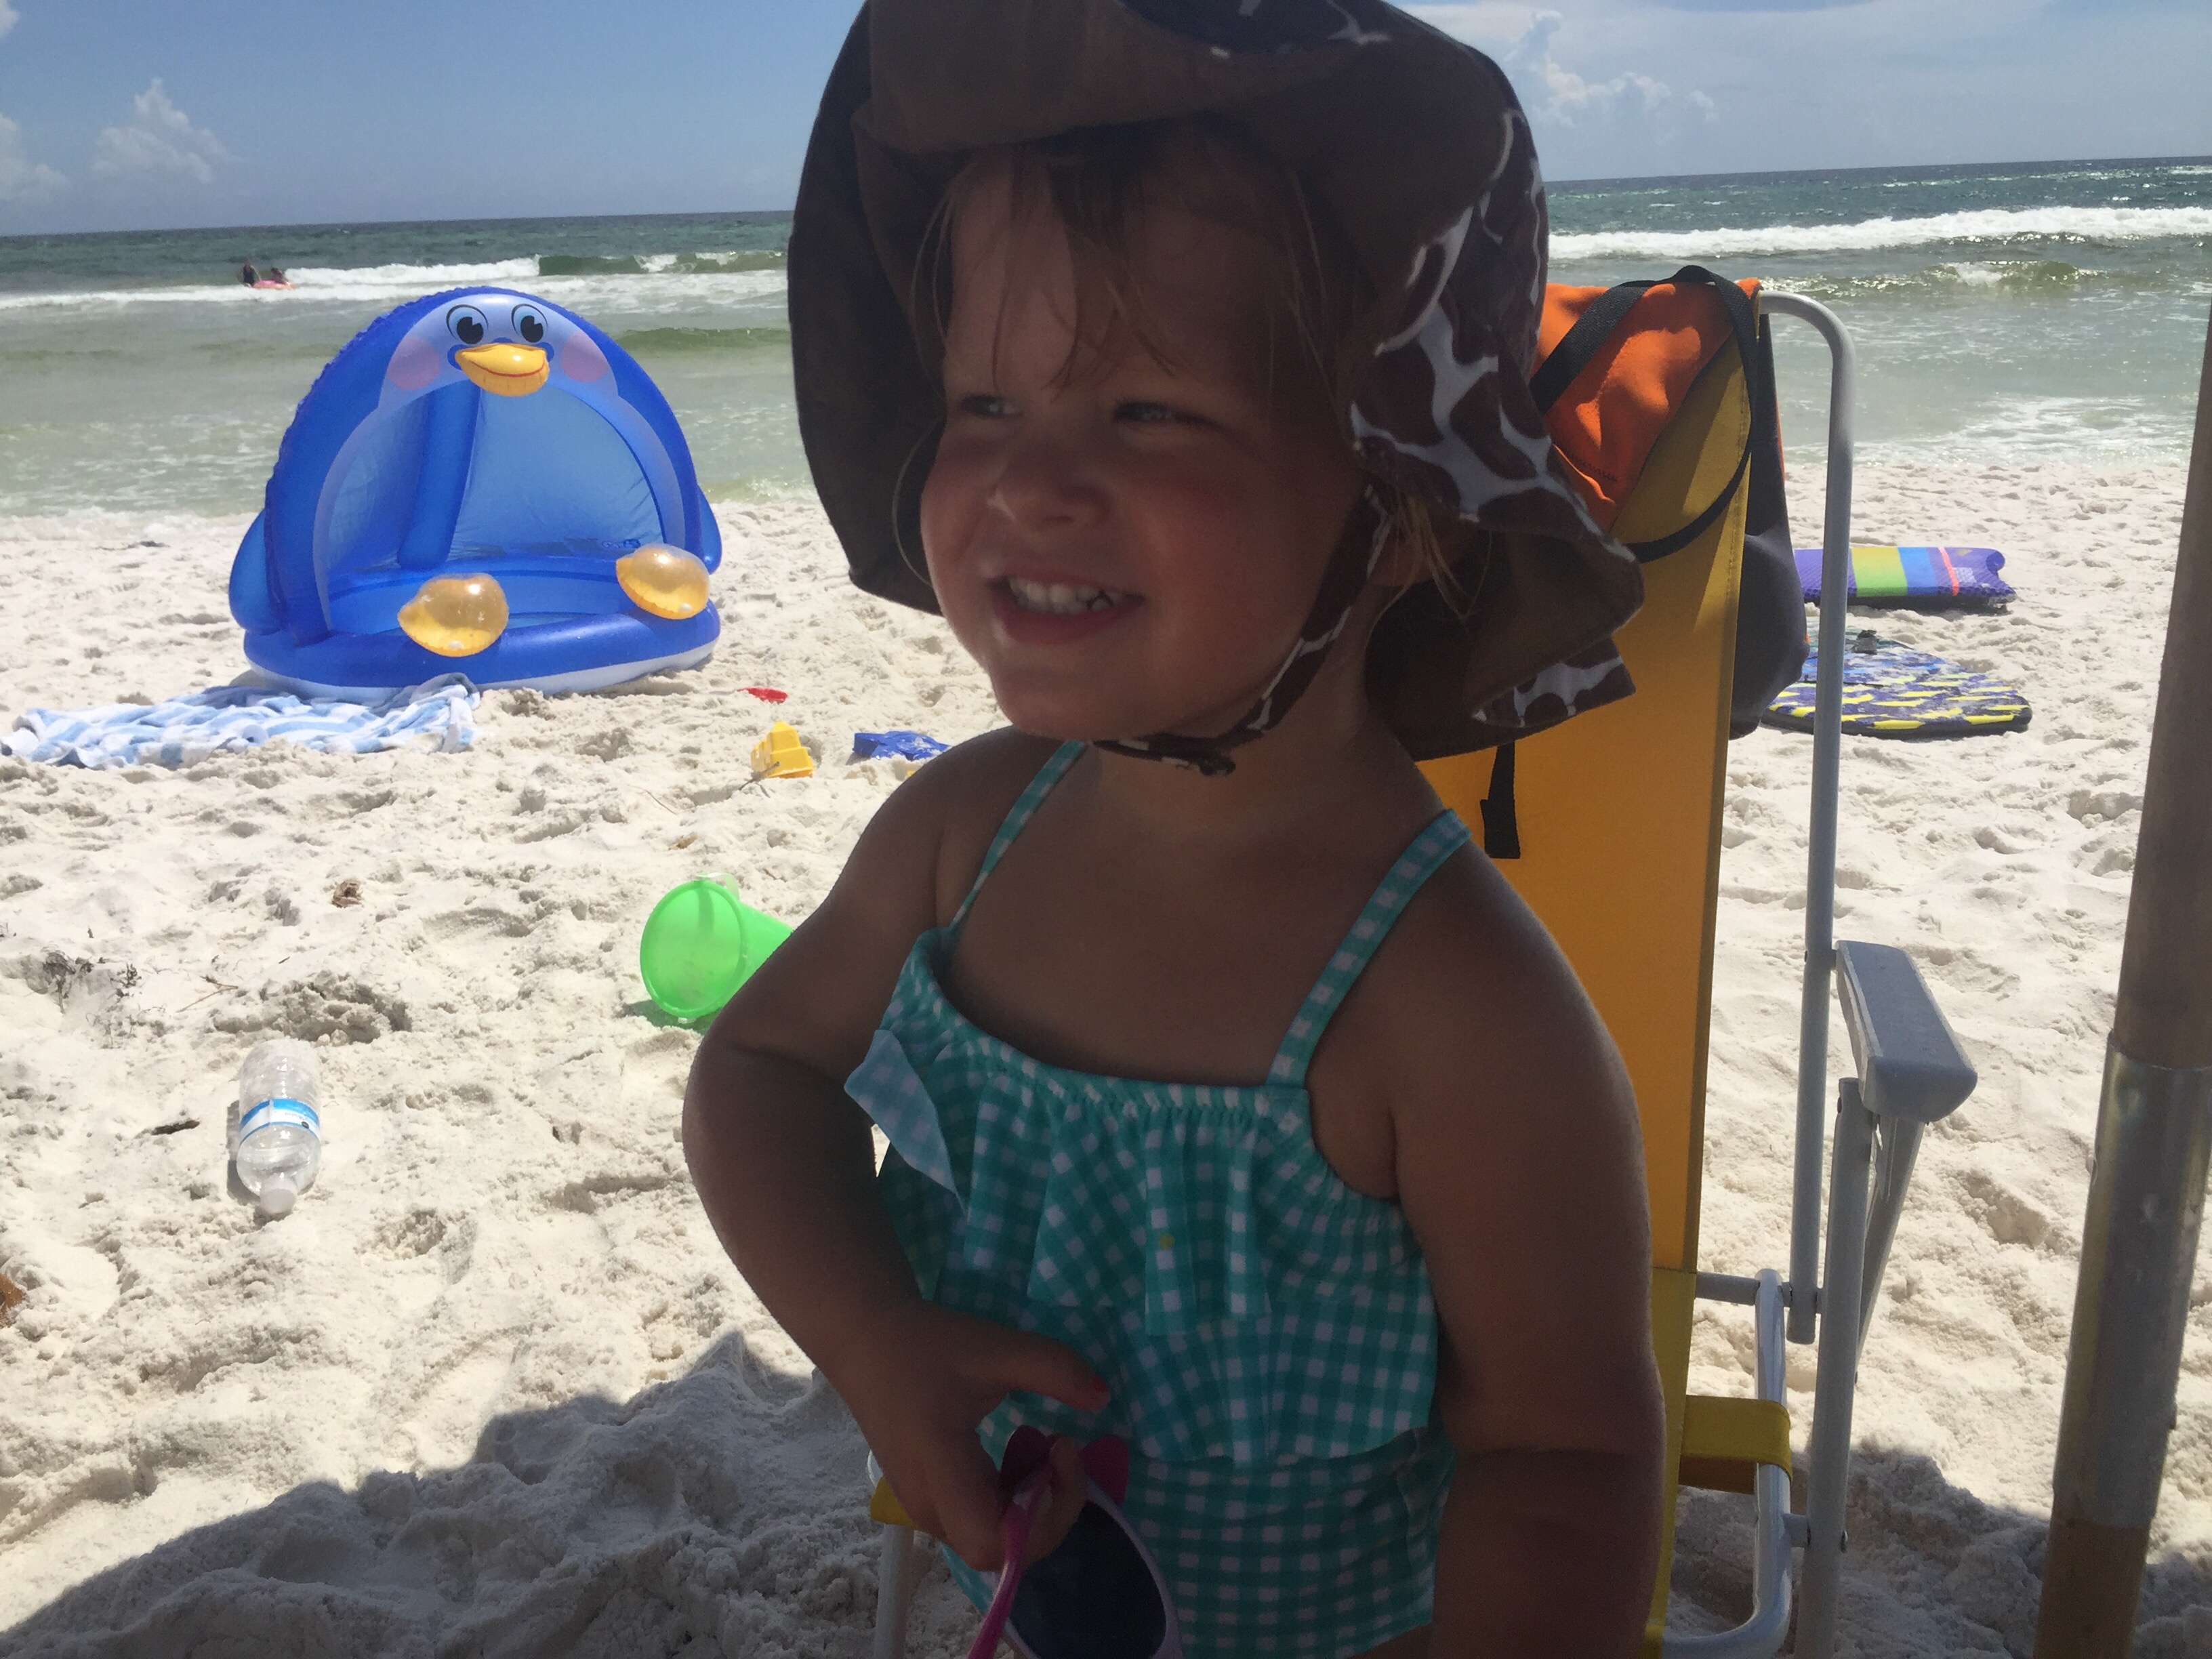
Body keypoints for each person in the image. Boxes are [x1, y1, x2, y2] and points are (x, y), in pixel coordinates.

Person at [683, 3, 1664, 1653]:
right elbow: (761, 1071)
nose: (1028, 484)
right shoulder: (960, 841)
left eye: (1148, 411)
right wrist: (872, 1340)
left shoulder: (1451, 1010)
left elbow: (1562, 1455)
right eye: (984, 403)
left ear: (1398, 501)